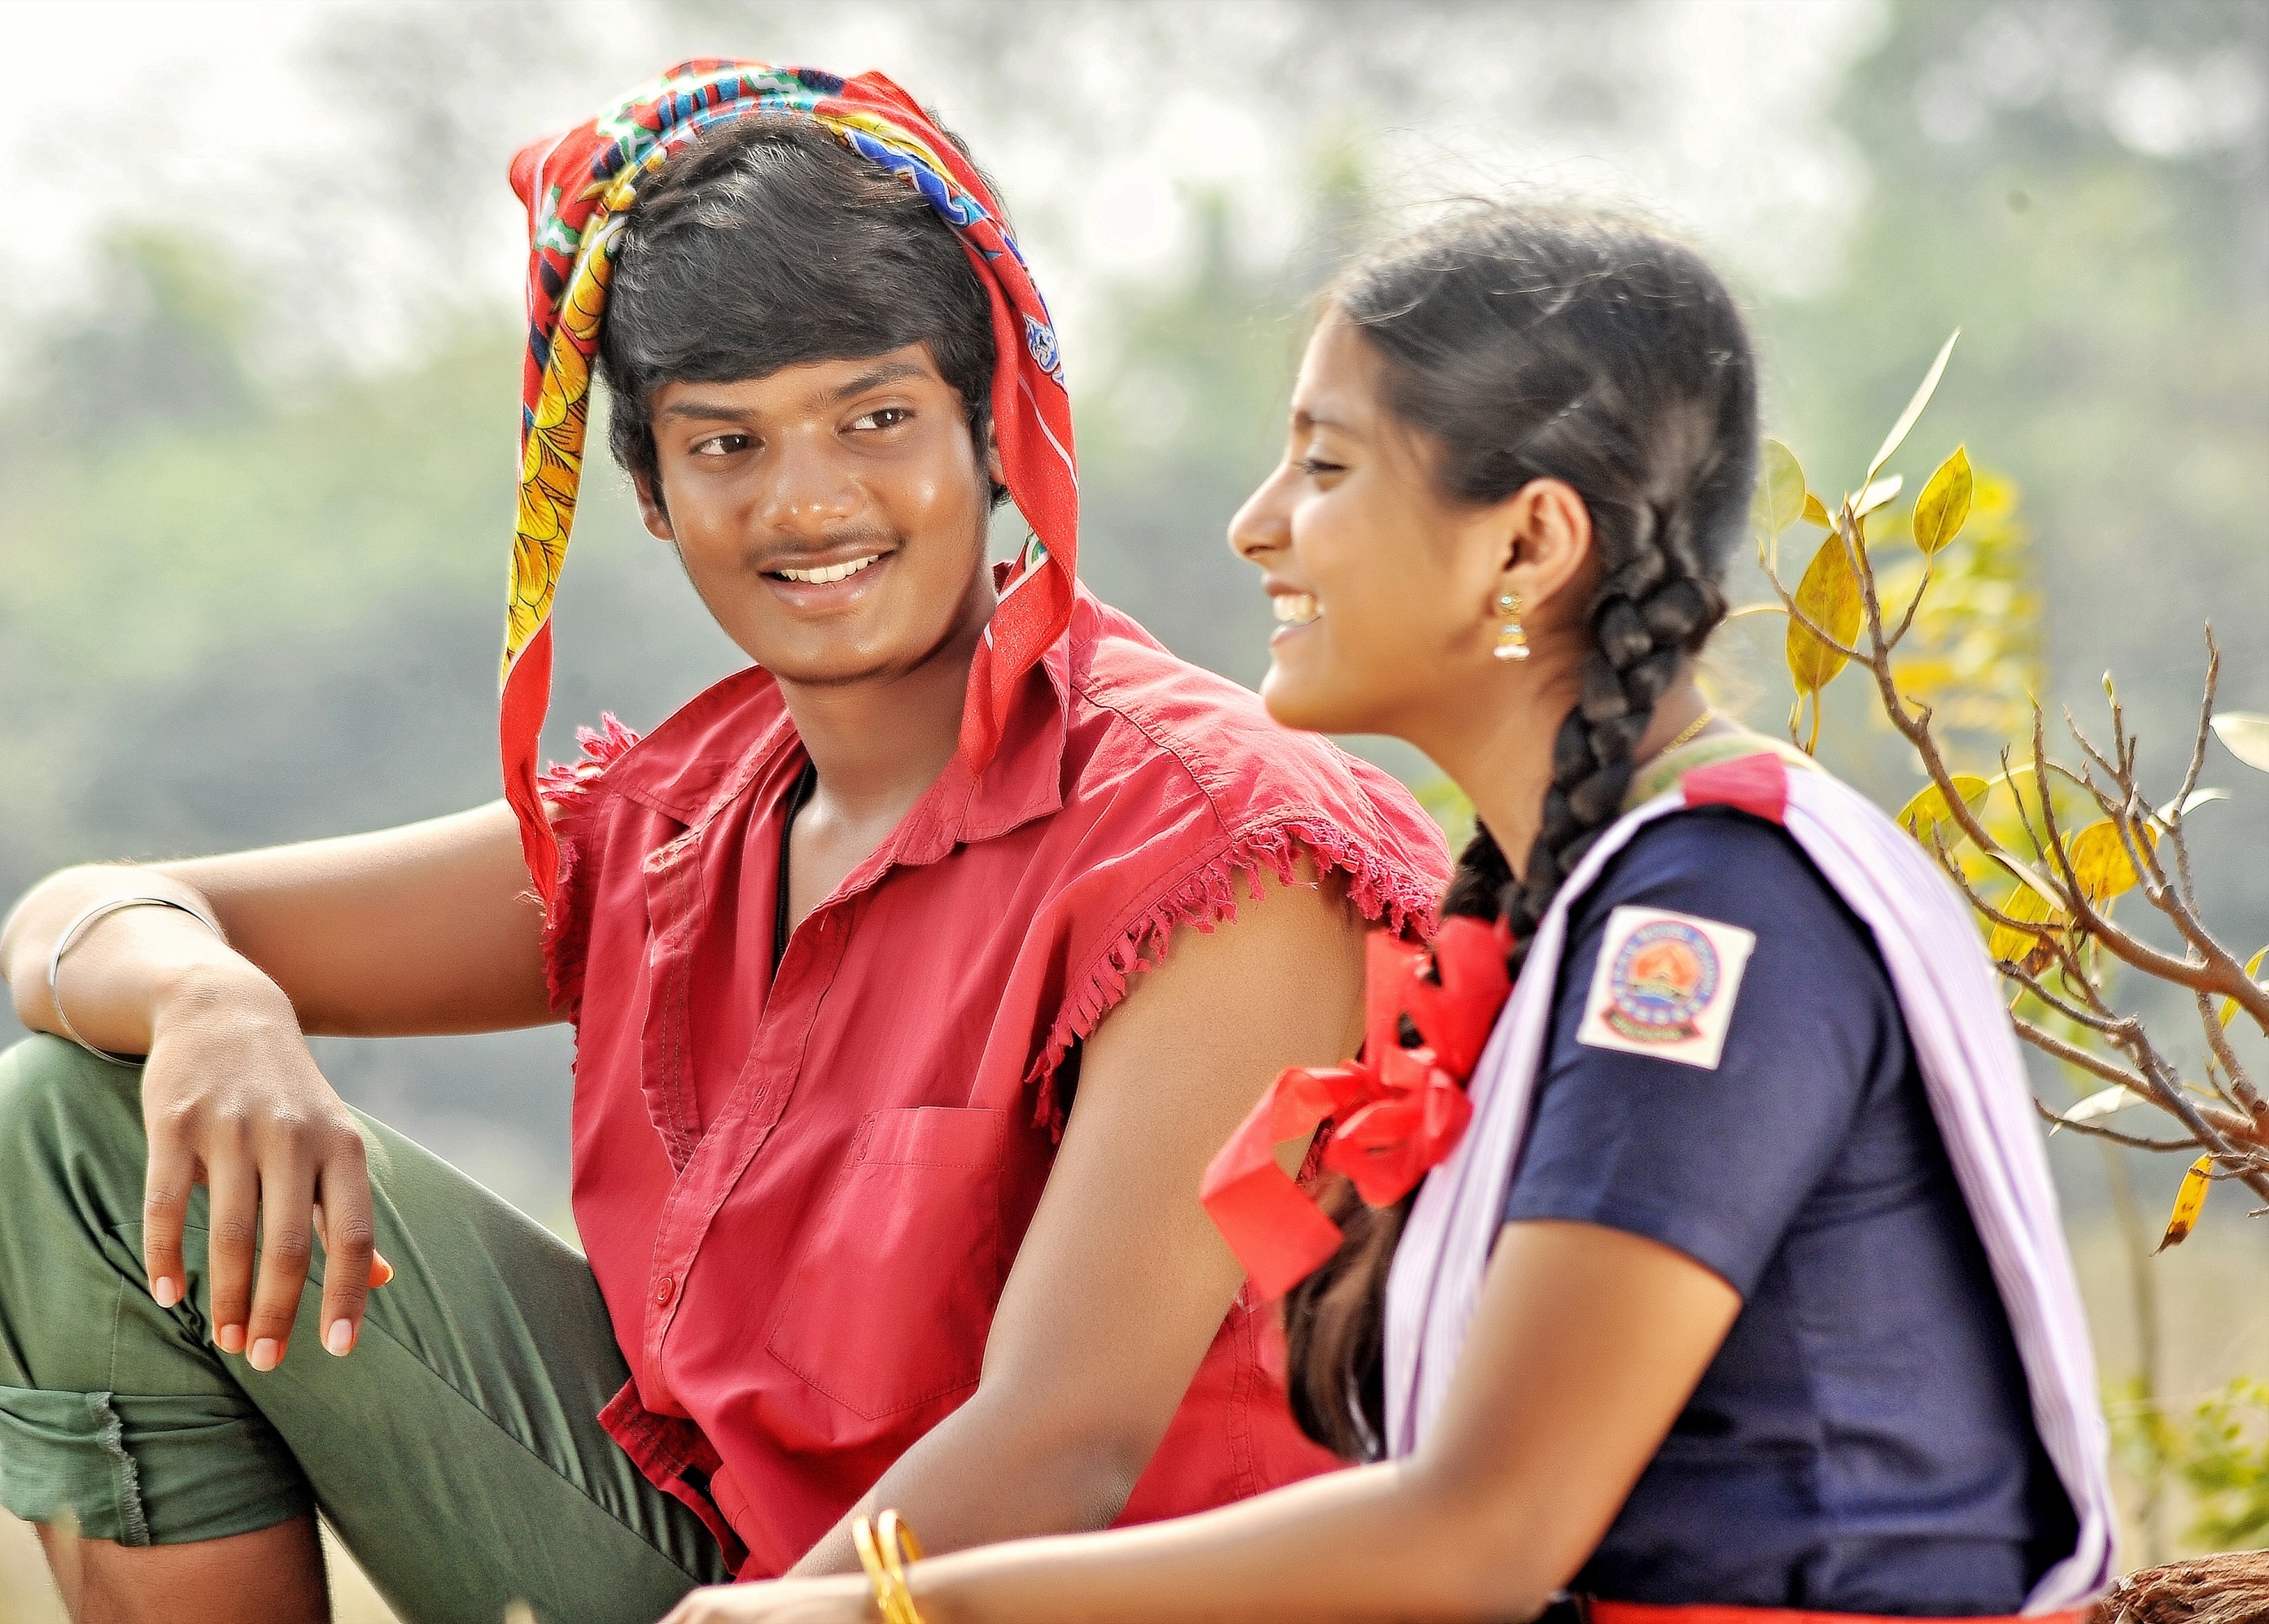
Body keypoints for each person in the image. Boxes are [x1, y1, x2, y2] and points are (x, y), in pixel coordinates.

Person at [0, 61, 1454, 1624]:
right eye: (726, 444)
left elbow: (1063, 1447)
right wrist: (214, 1002)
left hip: (1023, 1603)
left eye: (876, 419)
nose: (806, 503)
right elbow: (85, 916)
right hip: (725, 1578)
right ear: (651, 492)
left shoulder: (1216, 843)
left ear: (996, 429)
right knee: (58, 1125)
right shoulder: (674, 829)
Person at [663, 206, 2118, 1624]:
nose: (1256, 527)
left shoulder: (1710, 919)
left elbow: (1486, 1535)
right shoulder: (1576, 895)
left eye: (1326, 465)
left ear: (1527, 547)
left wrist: (889, 1609)